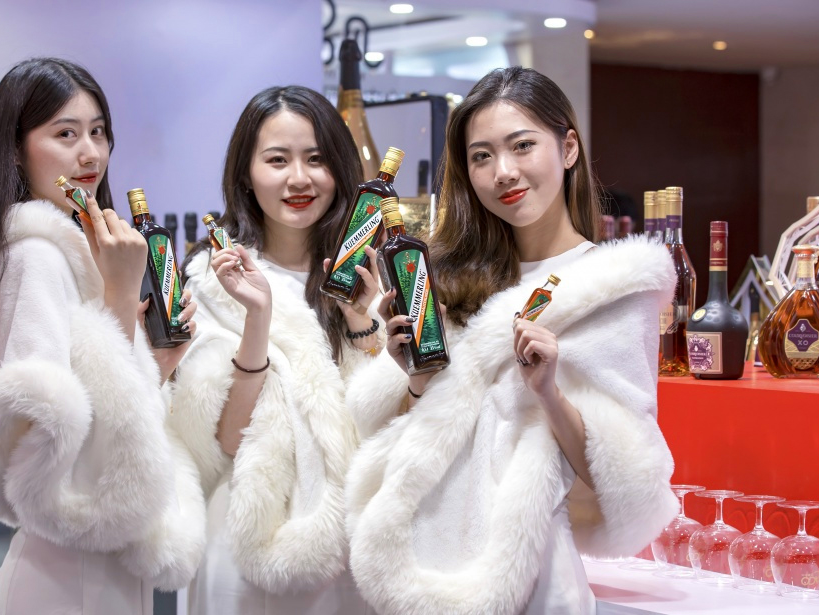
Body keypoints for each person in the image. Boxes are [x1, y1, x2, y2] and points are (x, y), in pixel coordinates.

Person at [343, 66, 679, 615]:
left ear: (567, 148)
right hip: (423, 563)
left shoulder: (614, 287)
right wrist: (418, 377)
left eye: (522, 146)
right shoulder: (442, 278)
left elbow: (623, 481)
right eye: (482, 156)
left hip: (531, 576)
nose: (503, 172)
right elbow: (404, 438)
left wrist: (549, 393)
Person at [0, 57, 205, 614]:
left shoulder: (70, 255)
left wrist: (156, 364)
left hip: (93, 567)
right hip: (67, 574)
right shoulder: (35, 256)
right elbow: (51, 443)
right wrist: (119, 294)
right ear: (15, 149)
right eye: (66, 134)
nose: (91, 153)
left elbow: (105, 415)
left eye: (99, 132)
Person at [169, 85, 379, 614]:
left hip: (354, 547)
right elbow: (223, 440)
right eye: (278, 160)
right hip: (248, 545)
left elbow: (394, 423)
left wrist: (362, 324)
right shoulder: (212, 282)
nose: (299, 178)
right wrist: (258, 317)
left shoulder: (374, 276)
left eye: (316, 159)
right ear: (246, 173)